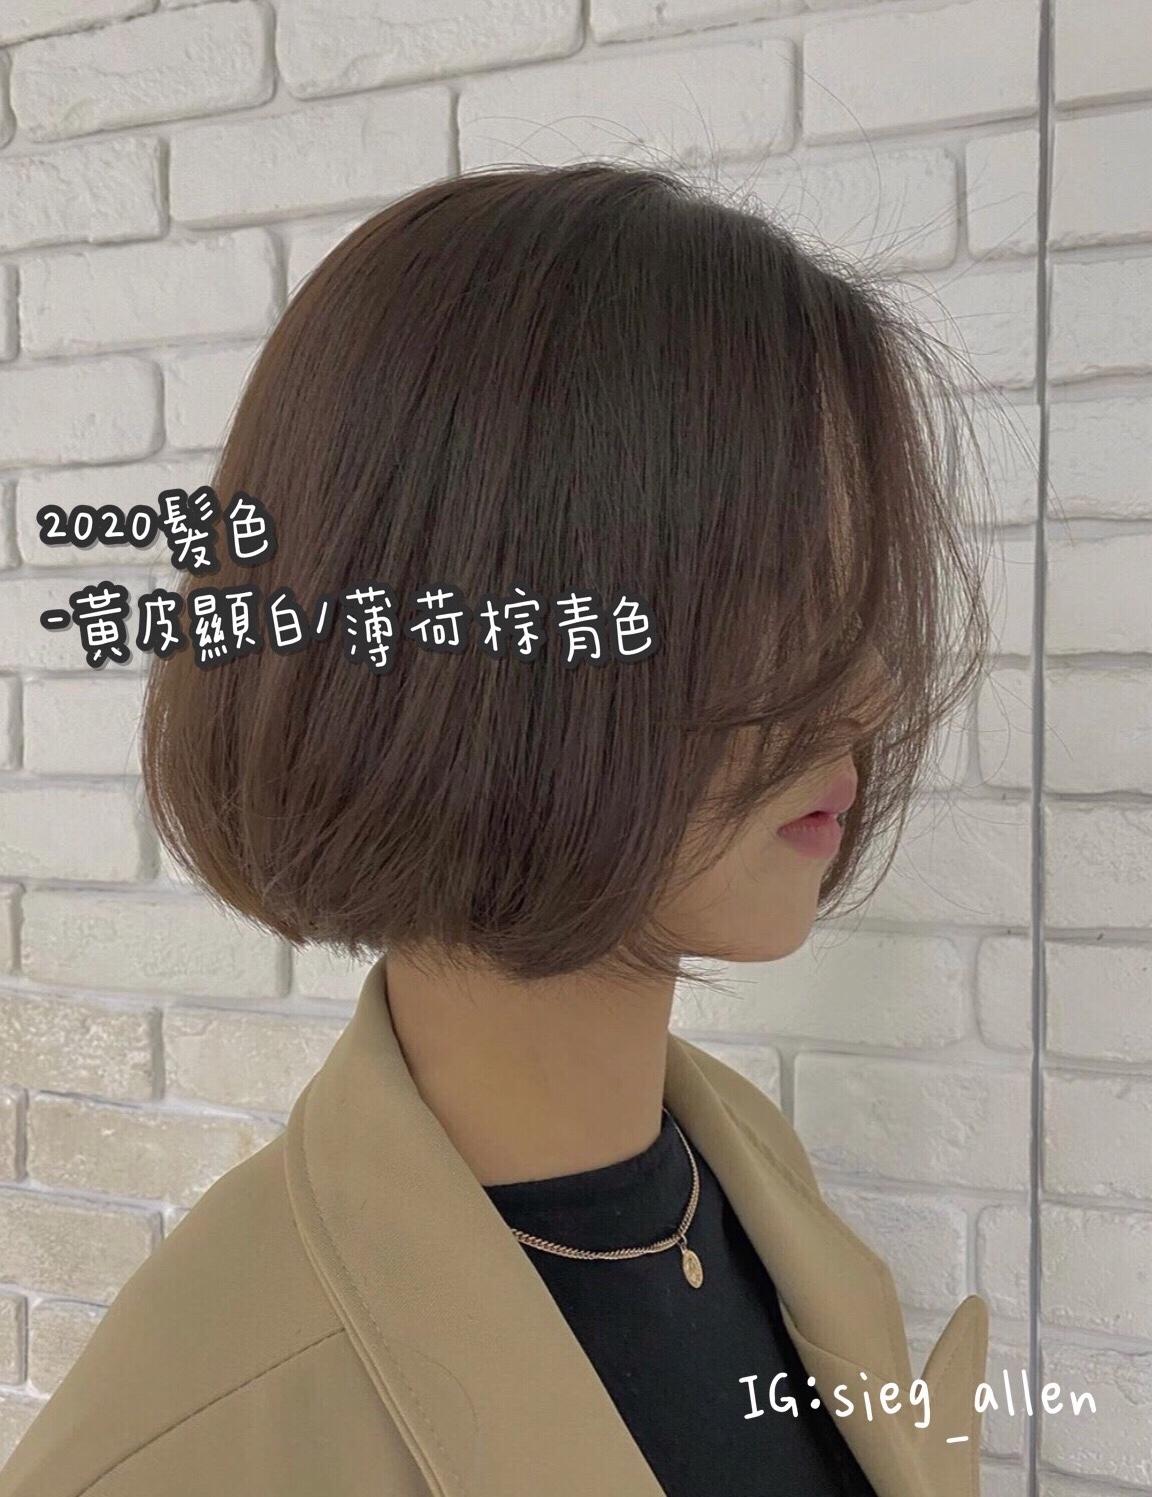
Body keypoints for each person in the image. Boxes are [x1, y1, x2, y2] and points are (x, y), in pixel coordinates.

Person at [0, 160, 996, 1497]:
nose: (864, 688)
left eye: (850, 592)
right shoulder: (197, 1442)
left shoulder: (745, 1169)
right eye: (759, 595)